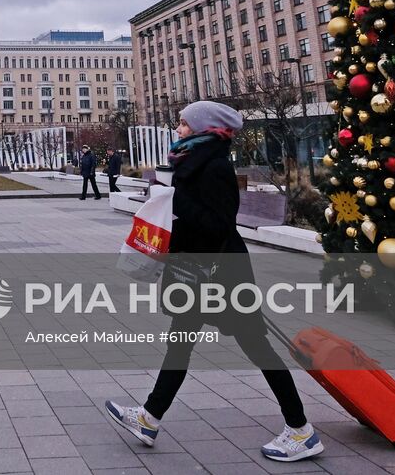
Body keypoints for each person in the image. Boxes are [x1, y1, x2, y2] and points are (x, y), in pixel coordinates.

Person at [105, 100, 323, 463]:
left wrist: (173, 200)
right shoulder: (195, 161)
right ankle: (148, 418)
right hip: (199, 273)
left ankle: (301, 431)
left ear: (203, 128)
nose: (177, 130)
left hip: (223, 275)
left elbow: (220, 225)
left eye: (183, 125)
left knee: (257, 347)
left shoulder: (215, 166)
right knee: (180, 344)